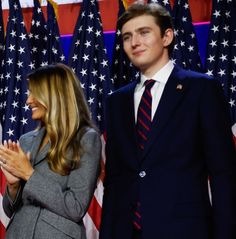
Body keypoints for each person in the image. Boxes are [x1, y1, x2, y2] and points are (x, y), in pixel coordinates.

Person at [99, 2, 236, 239]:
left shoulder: (202, 89)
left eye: (144, 32)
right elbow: (115, 180)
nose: (134, 43)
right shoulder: (116, 101)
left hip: (185, 231)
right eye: (127, 37)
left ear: (167, 37)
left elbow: (223, 174)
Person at [0, 63, 101, 239]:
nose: (28, 100)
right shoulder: (26, 140)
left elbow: (76, 207)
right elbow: (10, 210)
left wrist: (29, 175)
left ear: (55, 96)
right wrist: (13, 186)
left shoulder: (86, 139)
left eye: (34, 93)